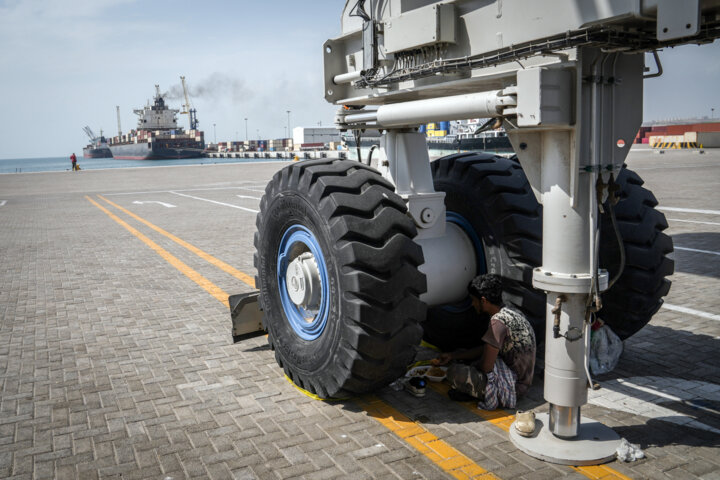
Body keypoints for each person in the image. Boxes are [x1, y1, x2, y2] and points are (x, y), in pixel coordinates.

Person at [432, 274, 536, 410]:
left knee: (455, 372)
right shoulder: (512, 312)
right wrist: (453, 355)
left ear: (483, 301)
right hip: (524, 381)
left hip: (513, 388)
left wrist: (472, 366)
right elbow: (487, 348)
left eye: (473, 300)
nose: (472, 304)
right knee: (465, 358)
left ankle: (482, 393)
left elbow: (486, 367)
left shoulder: (497, 322)